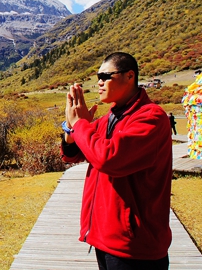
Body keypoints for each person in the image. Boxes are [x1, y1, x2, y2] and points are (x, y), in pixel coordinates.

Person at [60, 52, 172, 270]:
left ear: (130, 76)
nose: (99, 82)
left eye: (106, 76)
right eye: (98, 77)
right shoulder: (108, 119)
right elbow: (71, 155)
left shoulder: (151, 118)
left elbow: (107, 159)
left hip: (135, 248)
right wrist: (71, 128)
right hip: (104, 239)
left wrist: (80, 125)